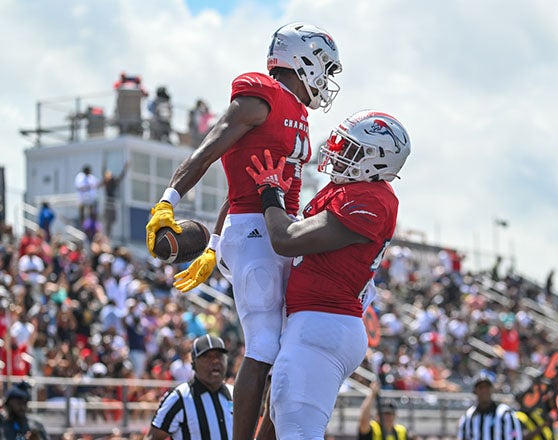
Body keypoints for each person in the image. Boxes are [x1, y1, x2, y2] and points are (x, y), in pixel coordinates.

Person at [145, 22, 342, 440]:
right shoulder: (261, 94)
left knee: (289, 353)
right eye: (322, 66)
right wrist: (169, 199)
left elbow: (245, 188)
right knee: (264, 347)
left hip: (273, 231)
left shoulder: (298, 111)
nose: (324, 78)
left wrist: (214, 246)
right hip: (257, 233)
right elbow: (210, 147)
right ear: (301, 59)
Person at [244, 109, 411, 438]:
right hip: (315, 323)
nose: (337, 151)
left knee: (296, 430)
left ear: (378, 161)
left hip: (323, 323)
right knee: (274, 428)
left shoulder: (372, 199)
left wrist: (269, 192)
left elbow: (286, 240)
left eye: (350, 148)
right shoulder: (349, 191)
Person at [148, 334, 232, 440]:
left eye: (219, 356)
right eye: (207, 357)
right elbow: (152, 437)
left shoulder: (234, 394)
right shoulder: (179, 397)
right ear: (194, 363)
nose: (215, 361)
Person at [457, 371, 522, 440]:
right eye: (481, 387)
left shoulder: (505, 414)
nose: (484, 390)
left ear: (492, 389)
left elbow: (516, 436)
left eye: (487, 387)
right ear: (475, 391)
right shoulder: (468, 417)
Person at [101, 160, 130, 237]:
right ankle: (107, 234)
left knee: (111, 220)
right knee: (108, 220)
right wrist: (104, 164)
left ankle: (108, 234)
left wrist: (125, 169)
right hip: (108, 203)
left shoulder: (113, 182)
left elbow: (121, 176)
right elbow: (103, 173)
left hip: (112, 203)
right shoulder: (107, 182)